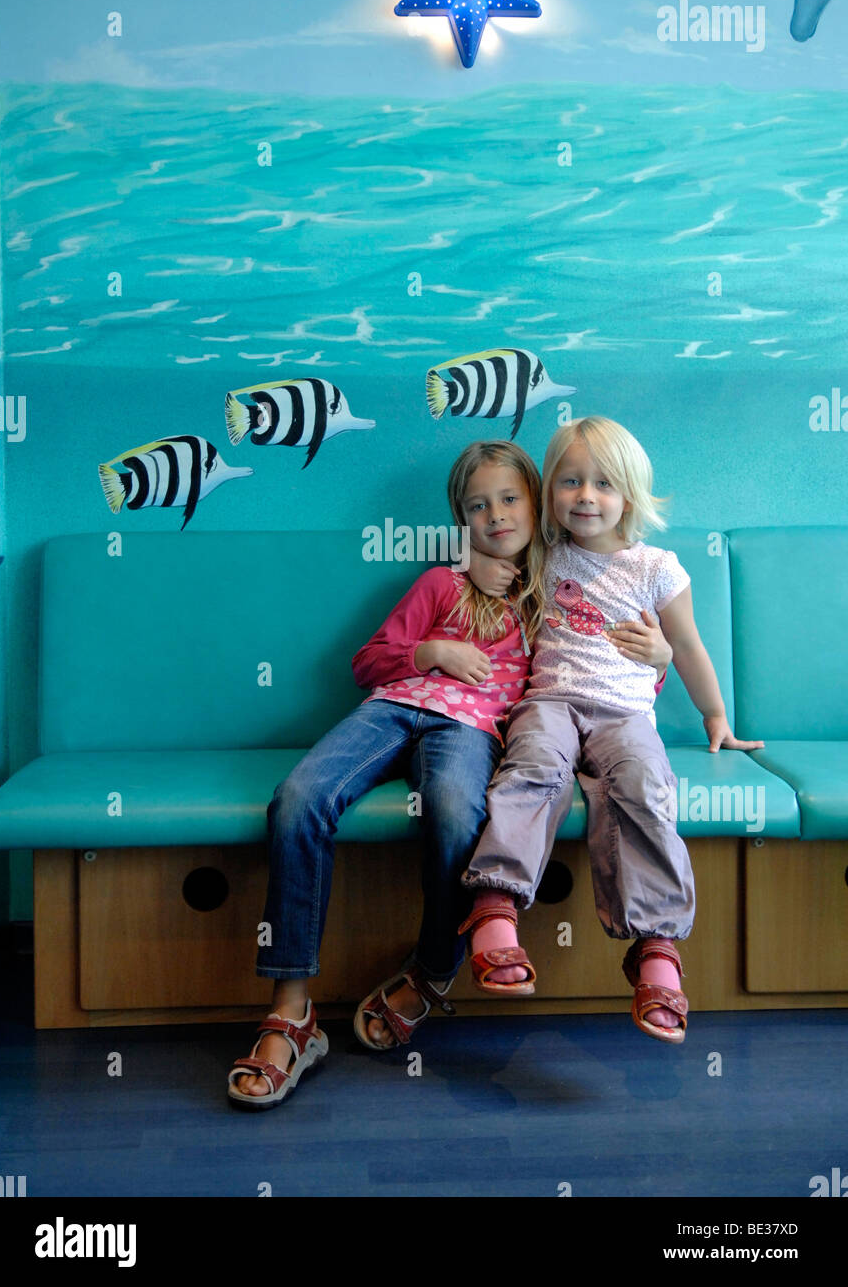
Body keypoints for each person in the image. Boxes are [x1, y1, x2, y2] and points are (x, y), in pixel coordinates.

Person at [227, 440, 548, 1106]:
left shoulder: (553, 596)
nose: (494, 515)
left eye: (509, 498)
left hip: (468, 731)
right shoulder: (439, 583)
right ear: (460, 518)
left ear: (537, 504)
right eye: (476, 505)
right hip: (393, 711)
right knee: (297, 797)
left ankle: (432, 971)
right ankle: (292, 1011)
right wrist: (430, 650)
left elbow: (597, 672)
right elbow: (367, 662)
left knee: (457, 811)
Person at [458, 415, 764, 1044]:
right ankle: (495, 904)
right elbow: (489, 542)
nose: (586, 496)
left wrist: (716, 716)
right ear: (550, 493)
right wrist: (476, 562)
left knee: (645, 785)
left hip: (624, 715)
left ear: (630, 492)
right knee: (533, 768)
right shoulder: (543, 551)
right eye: (570, 482)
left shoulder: (655, 566)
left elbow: (687, 646)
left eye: (603, 483)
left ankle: (656, 948)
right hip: (550, 703)